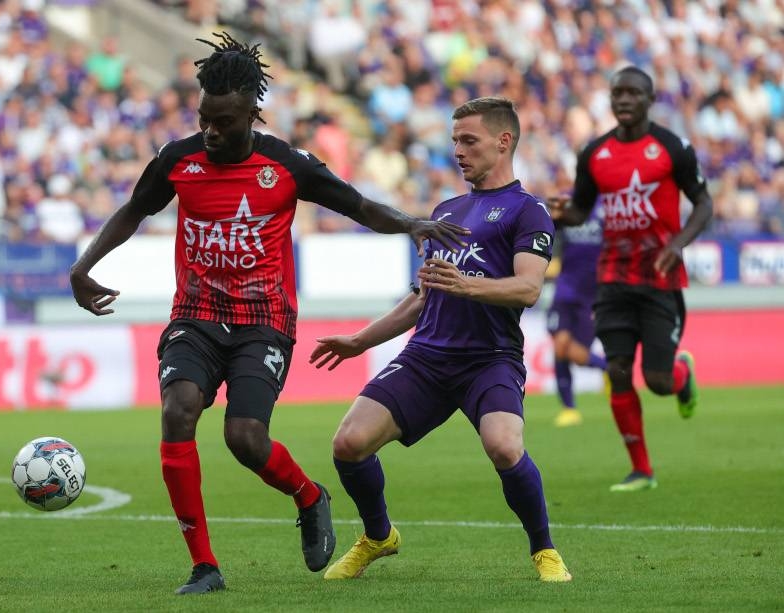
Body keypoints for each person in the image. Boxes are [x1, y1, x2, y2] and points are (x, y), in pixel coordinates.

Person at [68, 32, 468, 595]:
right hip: (196, 313)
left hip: (264, 321)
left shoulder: (285, 165)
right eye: (205, 118)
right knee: (178, 410)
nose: (211, 130)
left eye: (224, 122)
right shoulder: (177, 160)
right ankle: (204, 566)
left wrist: (410, 223)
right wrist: (83, 265)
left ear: (253, 115)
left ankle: (309, 496)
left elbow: (357, 205)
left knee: (245, 438)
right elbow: (133, 210)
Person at [310, 97, 572, 583]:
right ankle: (378, 536)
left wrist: (466, 284)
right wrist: (361, 341)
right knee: (348, 443)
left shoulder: (528, 210)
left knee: (504, 447)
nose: (458, 151)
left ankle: (545, 551)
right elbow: (421, 296)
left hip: (489, 360)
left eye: (468, 140)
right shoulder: (446, 210)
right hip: (427, 358)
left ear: (503, 141)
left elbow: (529, 288)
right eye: (454, 141)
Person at [549, 66, 712, 492]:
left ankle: (680, 375)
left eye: (632, 93)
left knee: (657, 382)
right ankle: (641, 469)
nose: (623, 100)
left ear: (649, 98)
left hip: (660, 277)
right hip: (613, 279)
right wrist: (563, 213)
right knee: (619, 371)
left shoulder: (672, 148)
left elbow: (703, 203)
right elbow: (582, 210)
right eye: (616, 93)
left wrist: (679, 243)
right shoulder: (594, 154)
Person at [547, 199, 609, 427]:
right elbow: (551, 226)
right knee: (560, 346)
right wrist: (554, 216)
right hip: (565, 290)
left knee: (576, 352)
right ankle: (569, 409)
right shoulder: (571, 202)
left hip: (591, 295)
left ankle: (609, 369)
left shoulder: (607, 206)